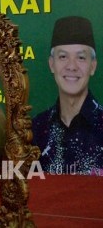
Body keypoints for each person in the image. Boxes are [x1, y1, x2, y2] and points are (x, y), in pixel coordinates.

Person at [32, 16, 103, 176]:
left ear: (93, 66)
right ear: (52, 64)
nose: (71, 66)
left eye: (81, 57)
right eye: (63, 57)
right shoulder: (34, 130)